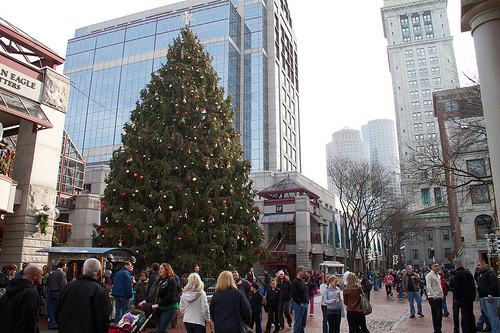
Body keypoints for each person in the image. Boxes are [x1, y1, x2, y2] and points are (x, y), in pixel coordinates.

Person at [55, 258, 111, 333]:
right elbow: (103, 318)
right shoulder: (99, 290)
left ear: (82, 270)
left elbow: (57, 311)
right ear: (99, 273)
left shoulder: (68, 287)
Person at [0, 264, 43, 333]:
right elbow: (29, 321)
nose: (42, 277)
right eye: (41, 274)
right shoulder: (30, 294)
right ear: (35, 275)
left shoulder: (8, 292)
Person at [139, 263, 180, 333]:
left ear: (167, 270)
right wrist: (145, 300)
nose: (160, 270)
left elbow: (170, 296)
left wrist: (158, 304)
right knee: (160, 329)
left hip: (169, 308)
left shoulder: (171, 281)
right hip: (159, 308)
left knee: (162, 329)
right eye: (159, 269)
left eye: (162, 269)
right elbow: (153, 293)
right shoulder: (158, 281)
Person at [448, 259, 476, 333]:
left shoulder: (457, 274)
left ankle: (466, 329)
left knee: (465, 315)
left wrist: (456, 296)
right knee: (470, 313)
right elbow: (473, 285)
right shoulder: (468, 273)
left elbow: (457, 287)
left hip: (462, 297)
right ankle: (472, 329)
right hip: (470, 297)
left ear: (456, 266)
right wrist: (473, 296)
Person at [476, 260, 500, 333]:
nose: (478, 267)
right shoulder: (481, 274)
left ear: (484, 265)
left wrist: (490, 294)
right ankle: (490, 328)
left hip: (490, 298)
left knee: (493, 316)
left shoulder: (490, 273)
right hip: (484, 297)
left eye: (479, 265)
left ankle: (496, 331)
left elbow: (493, 284)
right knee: (486, 314)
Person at [46, 260, 67, 330]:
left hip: (51, 292)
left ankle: (51, 323)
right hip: (58, 292)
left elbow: (48, 282)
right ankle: (55, 324)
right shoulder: (62, 274)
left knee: (52, 309)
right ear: (63, 266)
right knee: (57, 308)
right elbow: (63, 284)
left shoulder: (52, 273)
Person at [426, 262, 444, 333]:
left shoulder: (438, 275)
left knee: (440, 314)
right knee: (436, 314)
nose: (437, 267)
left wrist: (441, 295)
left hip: (439, 296)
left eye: (438, 266)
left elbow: (439, 286)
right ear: (432, 267)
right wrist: (434, 295)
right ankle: (436, 330)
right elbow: (429, 286)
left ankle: (439, 328)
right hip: (433, 298)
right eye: (435, 266)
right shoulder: (429, 275)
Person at [291, 266, 309, 333]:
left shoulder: (302, 281)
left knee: (303, 324)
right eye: (304, 272)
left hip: (305, 304)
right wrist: (299, 303)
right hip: (299, 305)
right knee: (298, 324)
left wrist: (307, 302)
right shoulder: (295, 282)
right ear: (299, 271)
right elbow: (294, 294)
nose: (305, 273)